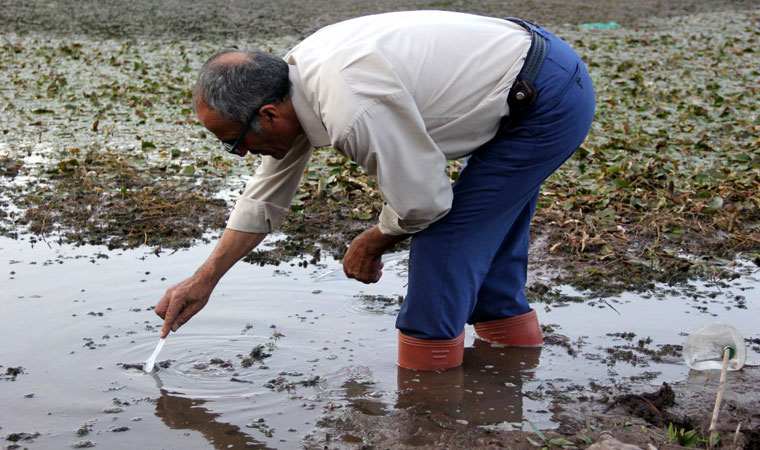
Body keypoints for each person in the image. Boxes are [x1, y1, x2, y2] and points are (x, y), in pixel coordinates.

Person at [155, 10, 595, 371]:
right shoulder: (292, 82)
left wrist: (373, 240)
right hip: (534, 74)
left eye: (234, 143)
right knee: (490, 256)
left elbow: (424, 203)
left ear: (268, 115)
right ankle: (510, 373)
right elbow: (263, 198)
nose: (242, 153)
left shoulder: (350, 106)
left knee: (445, 242)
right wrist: (204, 279)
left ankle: (429, 407)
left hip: (545, 98)